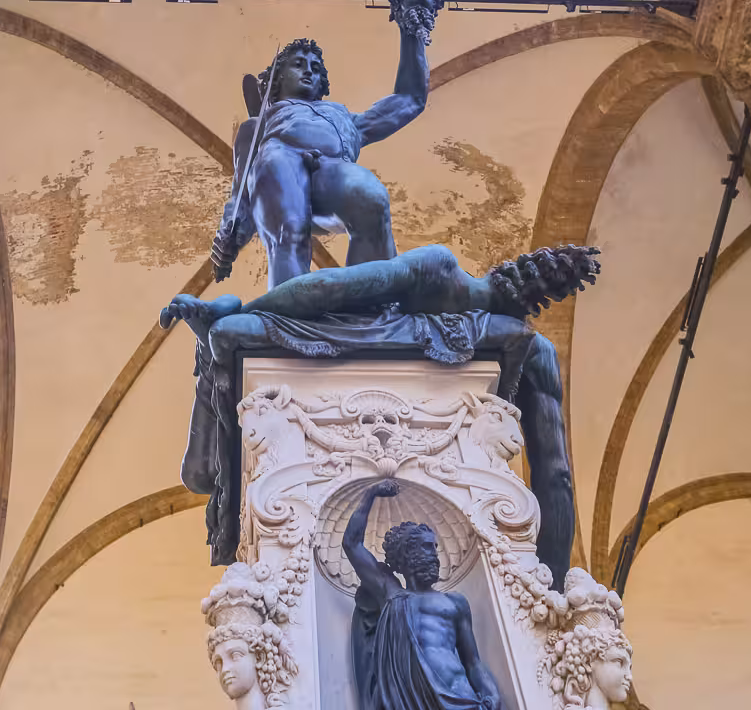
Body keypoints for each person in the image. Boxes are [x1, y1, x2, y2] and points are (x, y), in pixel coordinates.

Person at [164, 242, 598, 583]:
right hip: (355, 331)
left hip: (350, 333)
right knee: (222, 357)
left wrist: (247, 314)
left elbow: (329, 286)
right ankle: (221, 330)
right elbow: (556, 477)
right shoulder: (506, 326)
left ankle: (219, 330)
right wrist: (553, 593)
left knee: (224, 348)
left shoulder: (446, 276)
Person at [212, 0, 443, 288]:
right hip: (279, 158)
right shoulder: (259, 123)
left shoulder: (345, 119)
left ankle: (369, 310)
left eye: (316, 68)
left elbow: (409, 99)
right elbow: (241, 190)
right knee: (289, 230)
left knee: (371, 198)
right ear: (277, 79)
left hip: (329, 168)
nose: (310, 71)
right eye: (298, 64)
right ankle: (288, 317)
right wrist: (231, 233)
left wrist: (412, 26)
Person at [343, 480, 502, 710]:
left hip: (460, 698)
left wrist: (491, 693)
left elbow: (473, 661)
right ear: (407, 553)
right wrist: (369, 495)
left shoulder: (454, 602)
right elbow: (351, 543)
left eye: (436, 548)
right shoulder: (389, 591)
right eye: (428, 547)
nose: (435, 556)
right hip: (407, 701)